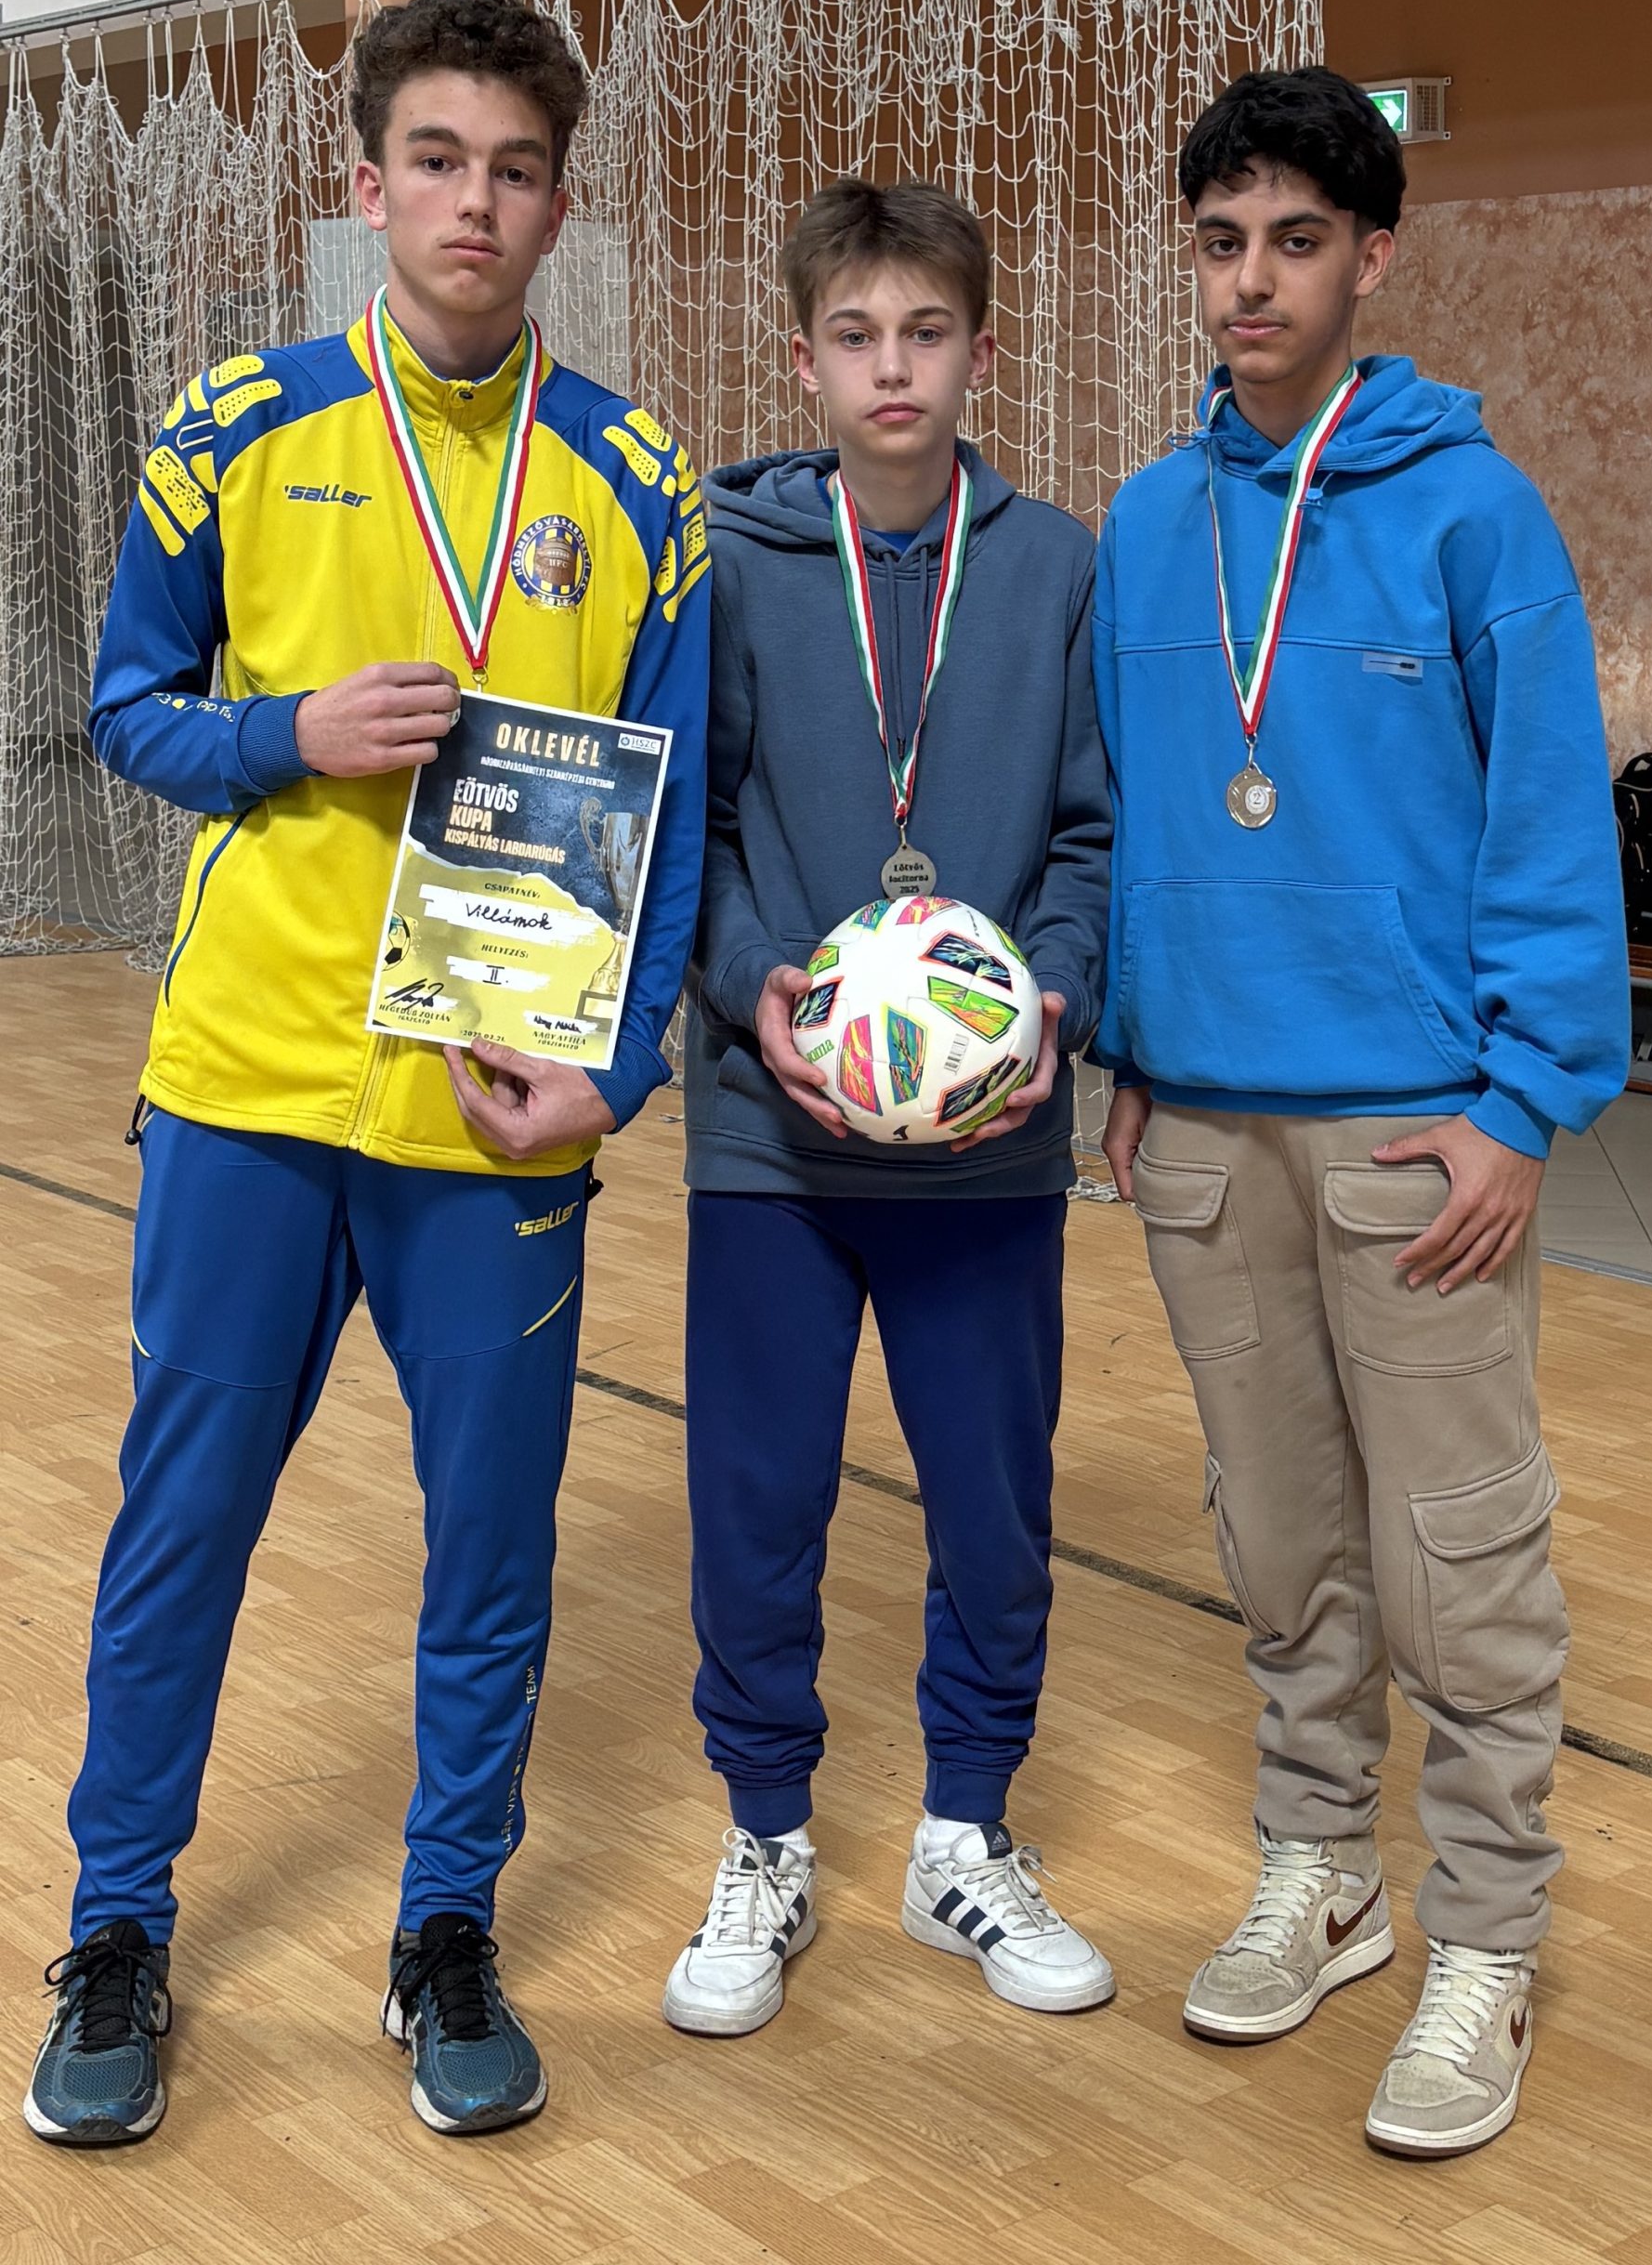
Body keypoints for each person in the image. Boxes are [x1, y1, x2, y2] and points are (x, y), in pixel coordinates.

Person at [26, 0, 710, 2146]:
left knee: (489, 1545)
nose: (472, 204)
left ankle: (447, 1924)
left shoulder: (640, 482)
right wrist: (286, 735)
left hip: (495, 1110)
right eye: (436, 160)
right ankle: (115, 1925)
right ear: (367, 184)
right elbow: (128, 708)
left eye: (512, 170)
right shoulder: (232, 426)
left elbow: (678, 810)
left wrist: (624, 1067)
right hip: (247, 1092)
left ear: (558, 206)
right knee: (182, 1528)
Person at [1094, 68, 1628, 2157]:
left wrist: (1523, 1103)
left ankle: (1485, 1936)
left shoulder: (1474, 513)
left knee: (1454, 1552)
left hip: (1420, 1133)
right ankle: (1322, 1868)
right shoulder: (1153, 520)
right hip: (1203, 1125)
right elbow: (1130, 809)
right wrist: (1132, 1048)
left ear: (1373, 257)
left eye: (1296, 241)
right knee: (1281, 1538)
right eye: (1221, 240)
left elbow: (1547, 828)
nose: (1253, 279)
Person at [662, 179, 1115, 2037]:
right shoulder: (730, 560)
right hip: (770, 1135)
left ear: (980, 353)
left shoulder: (1057, 566)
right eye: (855, 337)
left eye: (926, 333)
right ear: (805, 362)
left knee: (994, 1509)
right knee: (754, 1502)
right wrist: (757, 983)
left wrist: (1055, 991)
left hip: (987, 1148)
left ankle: (964, 1835)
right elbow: (688, 827)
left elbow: (1088, 834)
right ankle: (764, 1837)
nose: (892, 368)